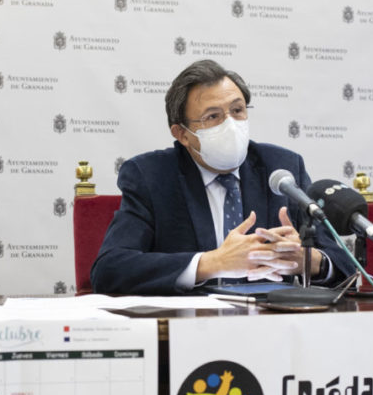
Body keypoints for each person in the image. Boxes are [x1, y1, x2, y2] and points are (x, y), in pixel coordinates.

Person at [90, 59, 355, 295]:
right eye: (213, 116)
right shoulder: (151, 176)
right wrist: (213, 262)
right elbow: (110, 269)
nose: (231, 124)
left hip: (271, 325)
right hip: (190, 329)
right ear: (182, 134)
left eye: (238, 110)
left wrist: (309, 260)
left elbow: (346, 266)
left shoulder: (282, 168)